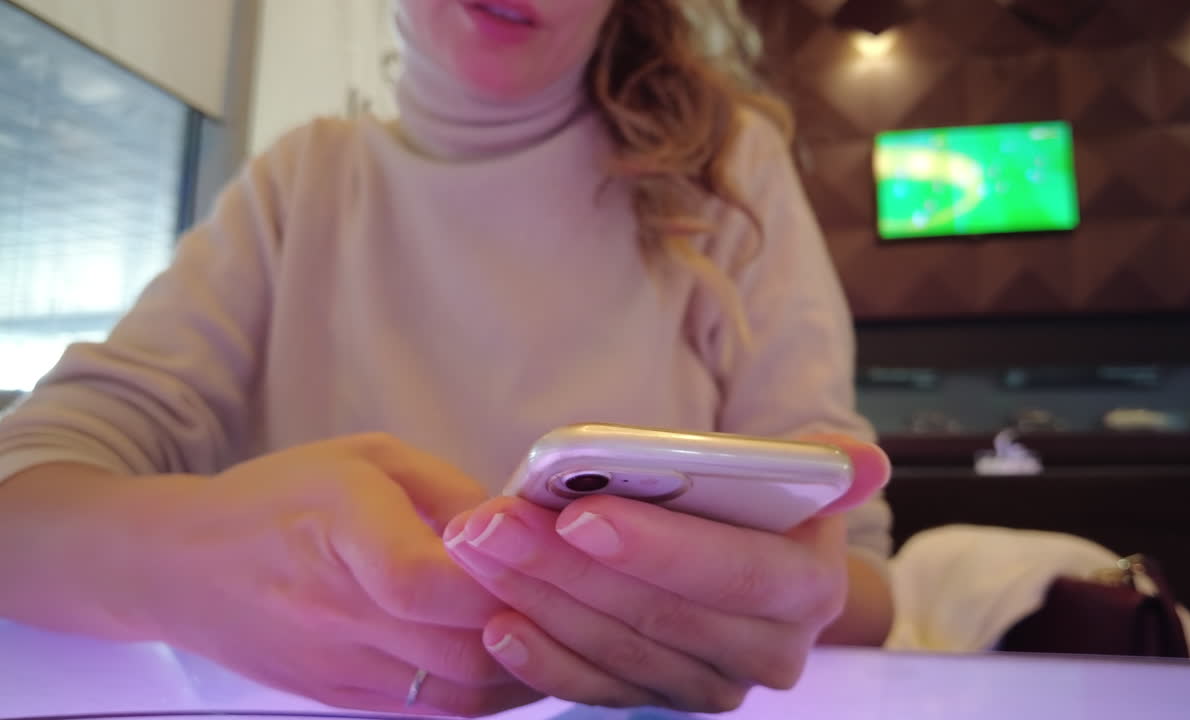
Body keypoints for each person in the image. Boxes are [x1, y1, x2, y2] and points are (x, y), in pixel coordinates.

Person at [0, 0, 894, 716]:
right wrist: (184, 564)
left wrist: (773, 604)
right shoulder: (299, 183)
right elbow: (25, 490)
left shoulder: (730, 171)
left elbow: (859, 579)